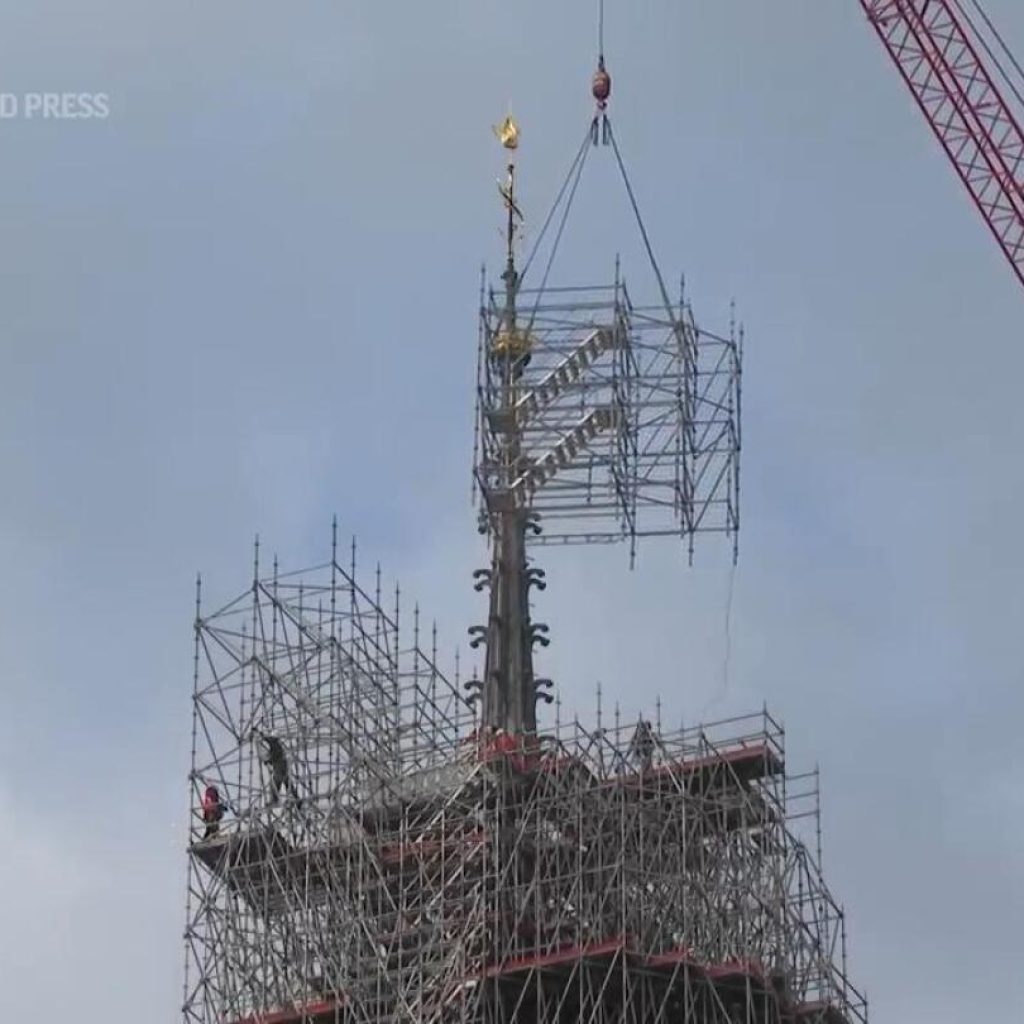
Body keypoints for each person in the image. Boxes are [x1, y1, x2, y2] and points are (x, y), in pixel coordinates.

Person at [255, 730, 300, 807]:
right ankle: (297, 800)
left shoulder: (275, 745)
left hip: (280, 767)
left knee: (276, 784)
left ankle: (275, 800)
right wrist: (262, 735)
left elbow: (274, 755)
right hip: (283, 766)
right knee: (287, 783)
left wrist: (268, 761)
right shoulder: (277, 745)